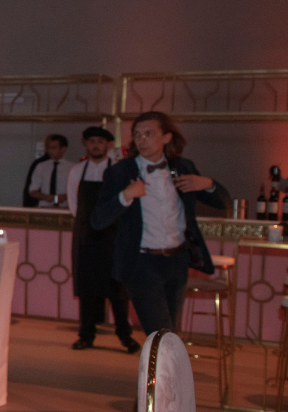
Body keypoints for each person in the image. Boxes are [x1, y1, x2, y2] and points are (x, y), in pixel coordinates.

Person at [91, 111, 224, 334]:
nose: (142, 140)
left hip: (177, 261)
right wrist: (125, 196)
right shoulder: (120, 172)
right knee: (161, 332)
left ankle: (161, 359)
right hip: (142, 263)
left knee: (170, 334)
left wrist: (208, 184)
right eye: (137, 135)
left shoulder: (183, 167)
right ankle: (162, 358)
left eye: (149, 134)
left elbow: (222, 203)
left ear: (166, 137)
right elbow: (97, 220)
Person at [66, 126, 139, 353]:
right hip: (86, 237)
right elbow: (74, 205)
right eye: (91, 141)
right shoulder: (77, 171)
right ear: (85, 144)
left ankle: (125, 335)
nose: (96, 145)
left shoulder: (118, 170)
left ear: (107, 145)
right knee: (87, 289)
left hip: (114, 237)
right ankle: (86, 335)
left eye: (100, 141)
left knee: (118, 290)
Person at [28, 134, 69, 208]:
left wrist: (64, 197)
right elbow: (33, 191)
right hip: (45, 207)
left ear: (63, 149)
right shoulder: (41, 166)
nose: (50, 151)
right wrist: (53, 198)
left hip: (64, 208)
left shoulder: (71, 168)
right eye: (48, 148)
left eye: (54, 148)